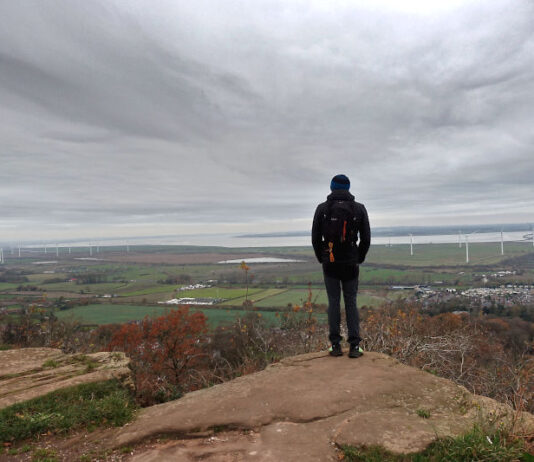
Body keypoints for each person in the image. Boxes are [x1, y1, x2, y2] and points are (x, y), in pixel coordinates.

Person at [312, 174, 371, 358]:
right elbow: (366, 239)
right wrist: (358, 257)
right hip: (350, 263)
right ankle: (354, 346)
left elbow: (315, 238)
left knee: (333, 302)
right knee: (351, 302)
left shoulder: (322, 209)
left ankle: (335, 345)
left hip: (330, 262)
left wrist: (321, 257)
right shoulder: (359, 209)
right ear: (348, 188)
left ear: (331, 187)